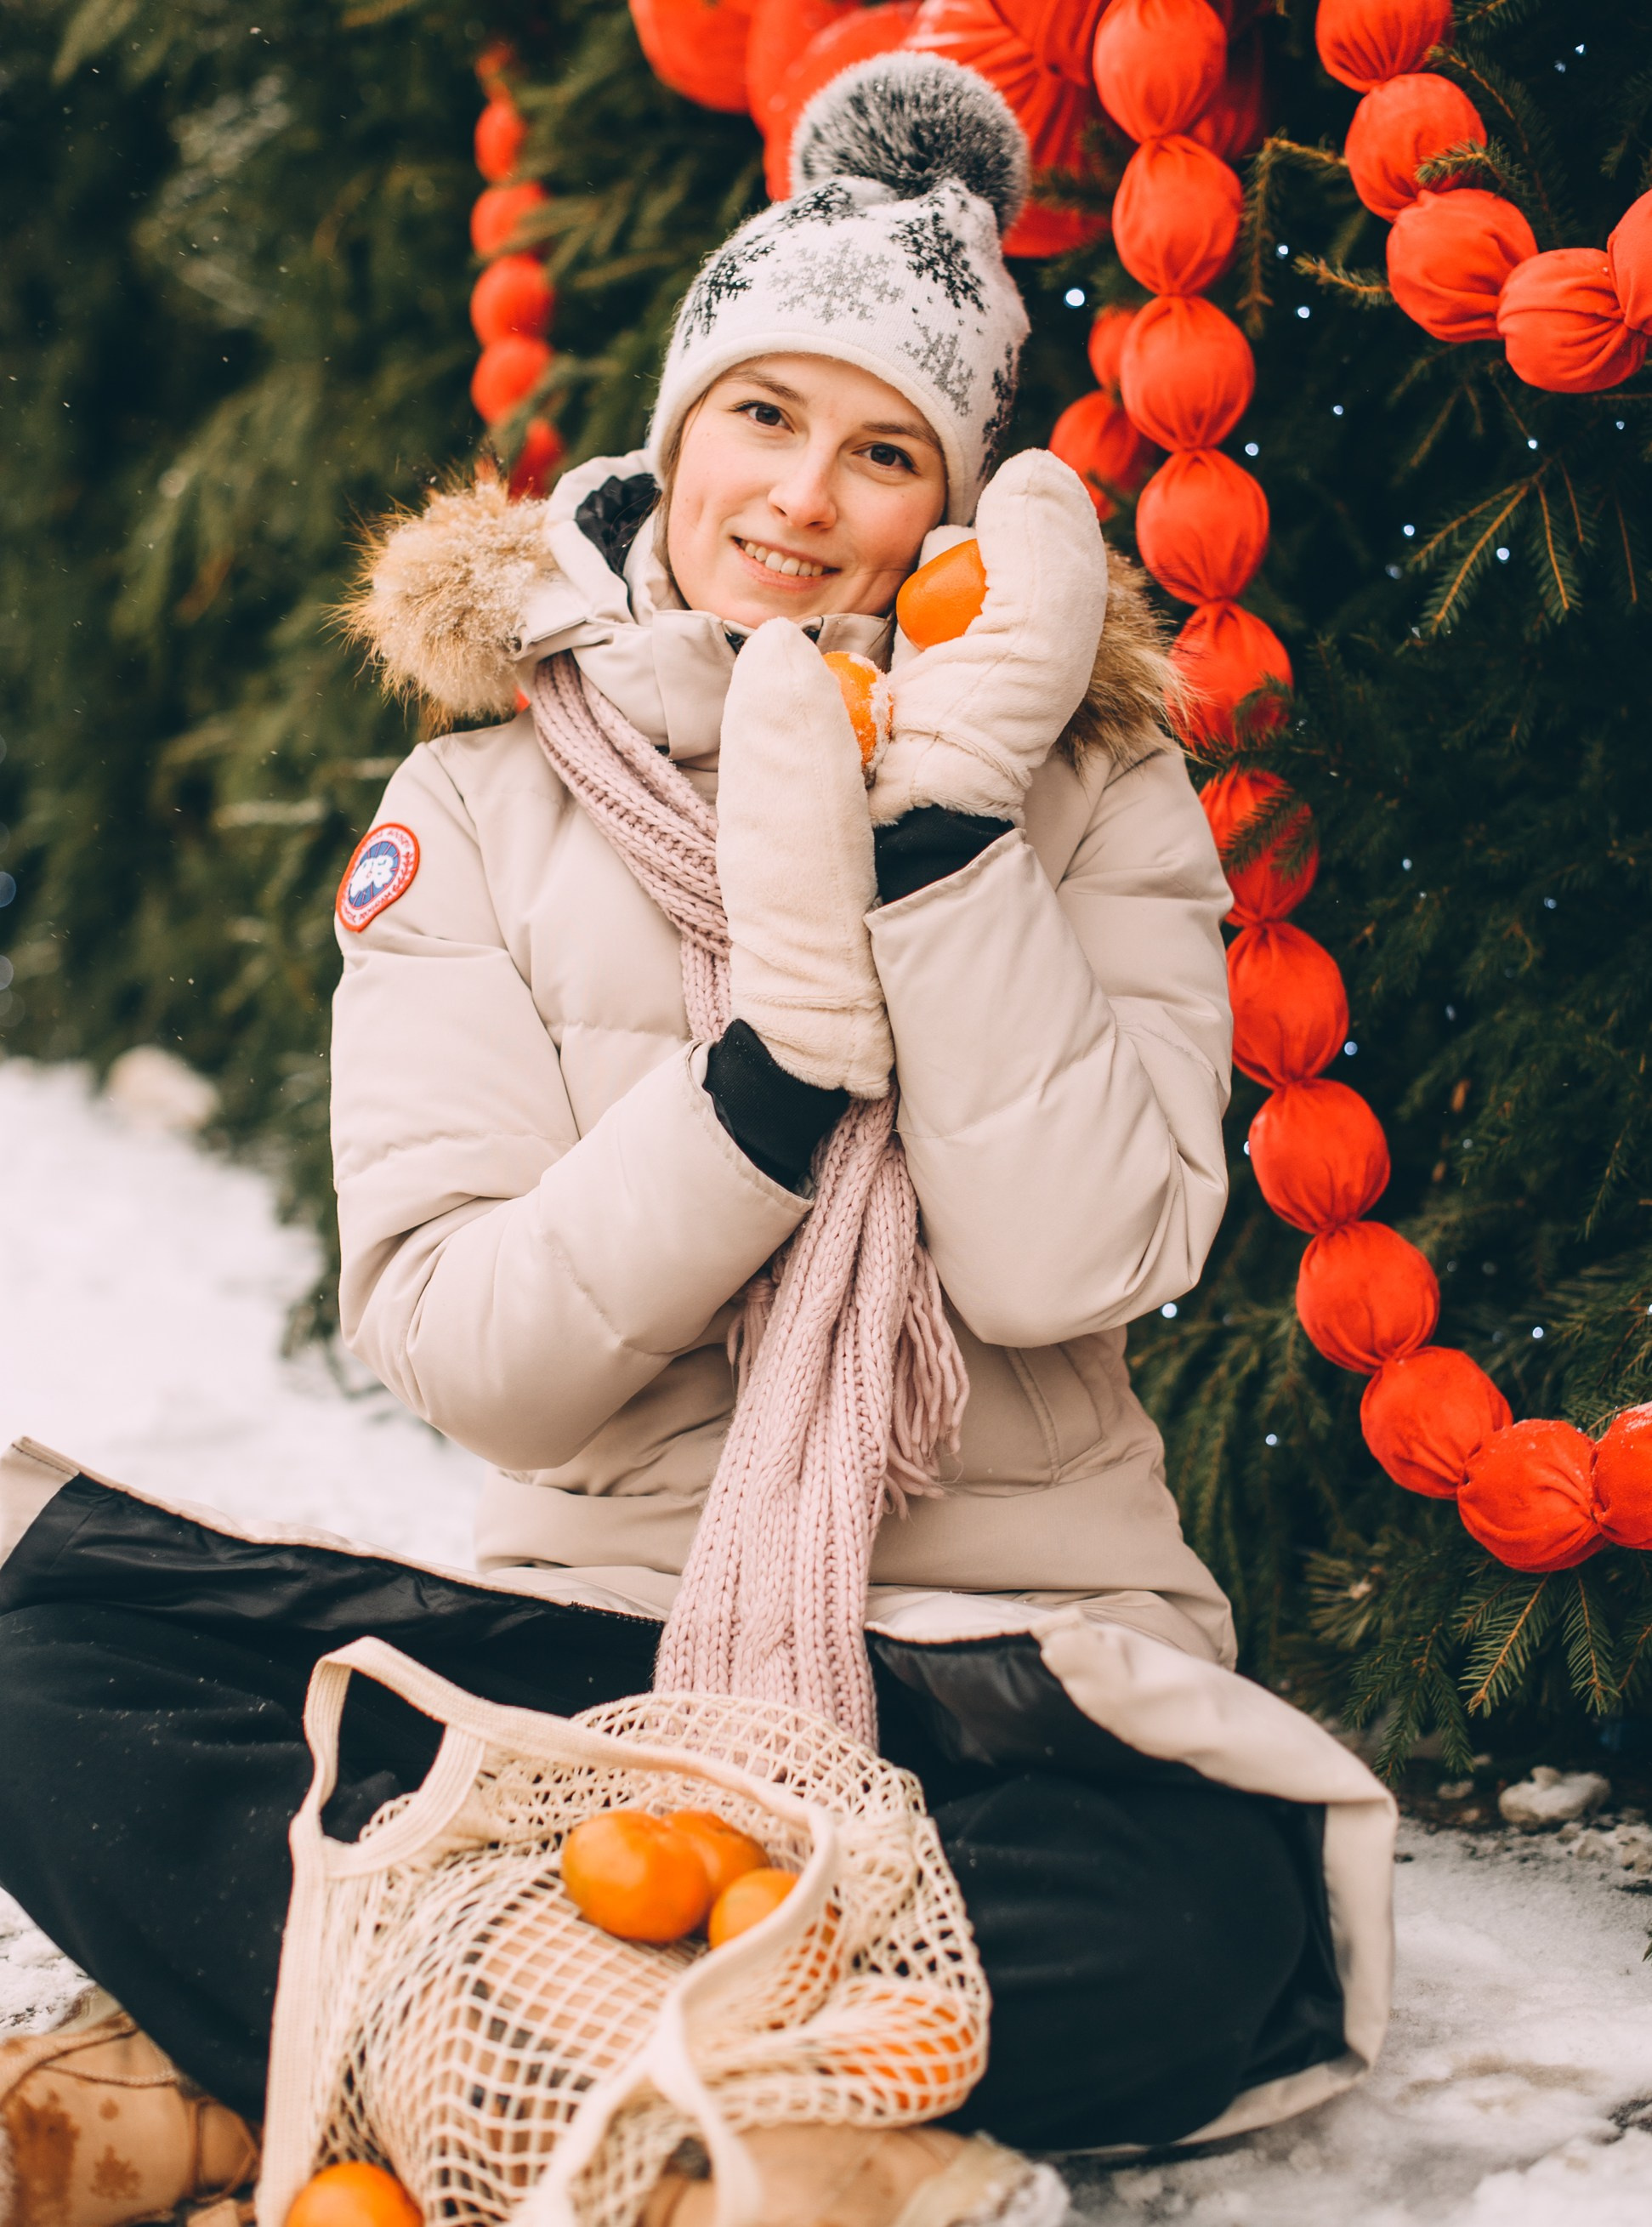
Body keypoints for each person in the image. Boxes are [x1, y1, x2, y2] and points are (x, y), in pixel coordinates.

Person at [0, 54, 1395, 2227]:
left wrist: (942, 840)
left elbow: (1073, 1265)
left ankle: (305, 2050)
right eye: (765, 415)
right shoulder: (472, 811)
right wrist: (762, 1089)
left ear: (953, 511)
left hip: (1000, 1653)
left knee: (1203, 1925)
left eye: (884, 450)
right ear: (673, 428)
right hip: (593, 1641)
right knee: (43, 1657)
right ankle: (736, 2128)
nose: (801, 500)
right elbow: (480, 1351)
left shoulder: (1093, 790)